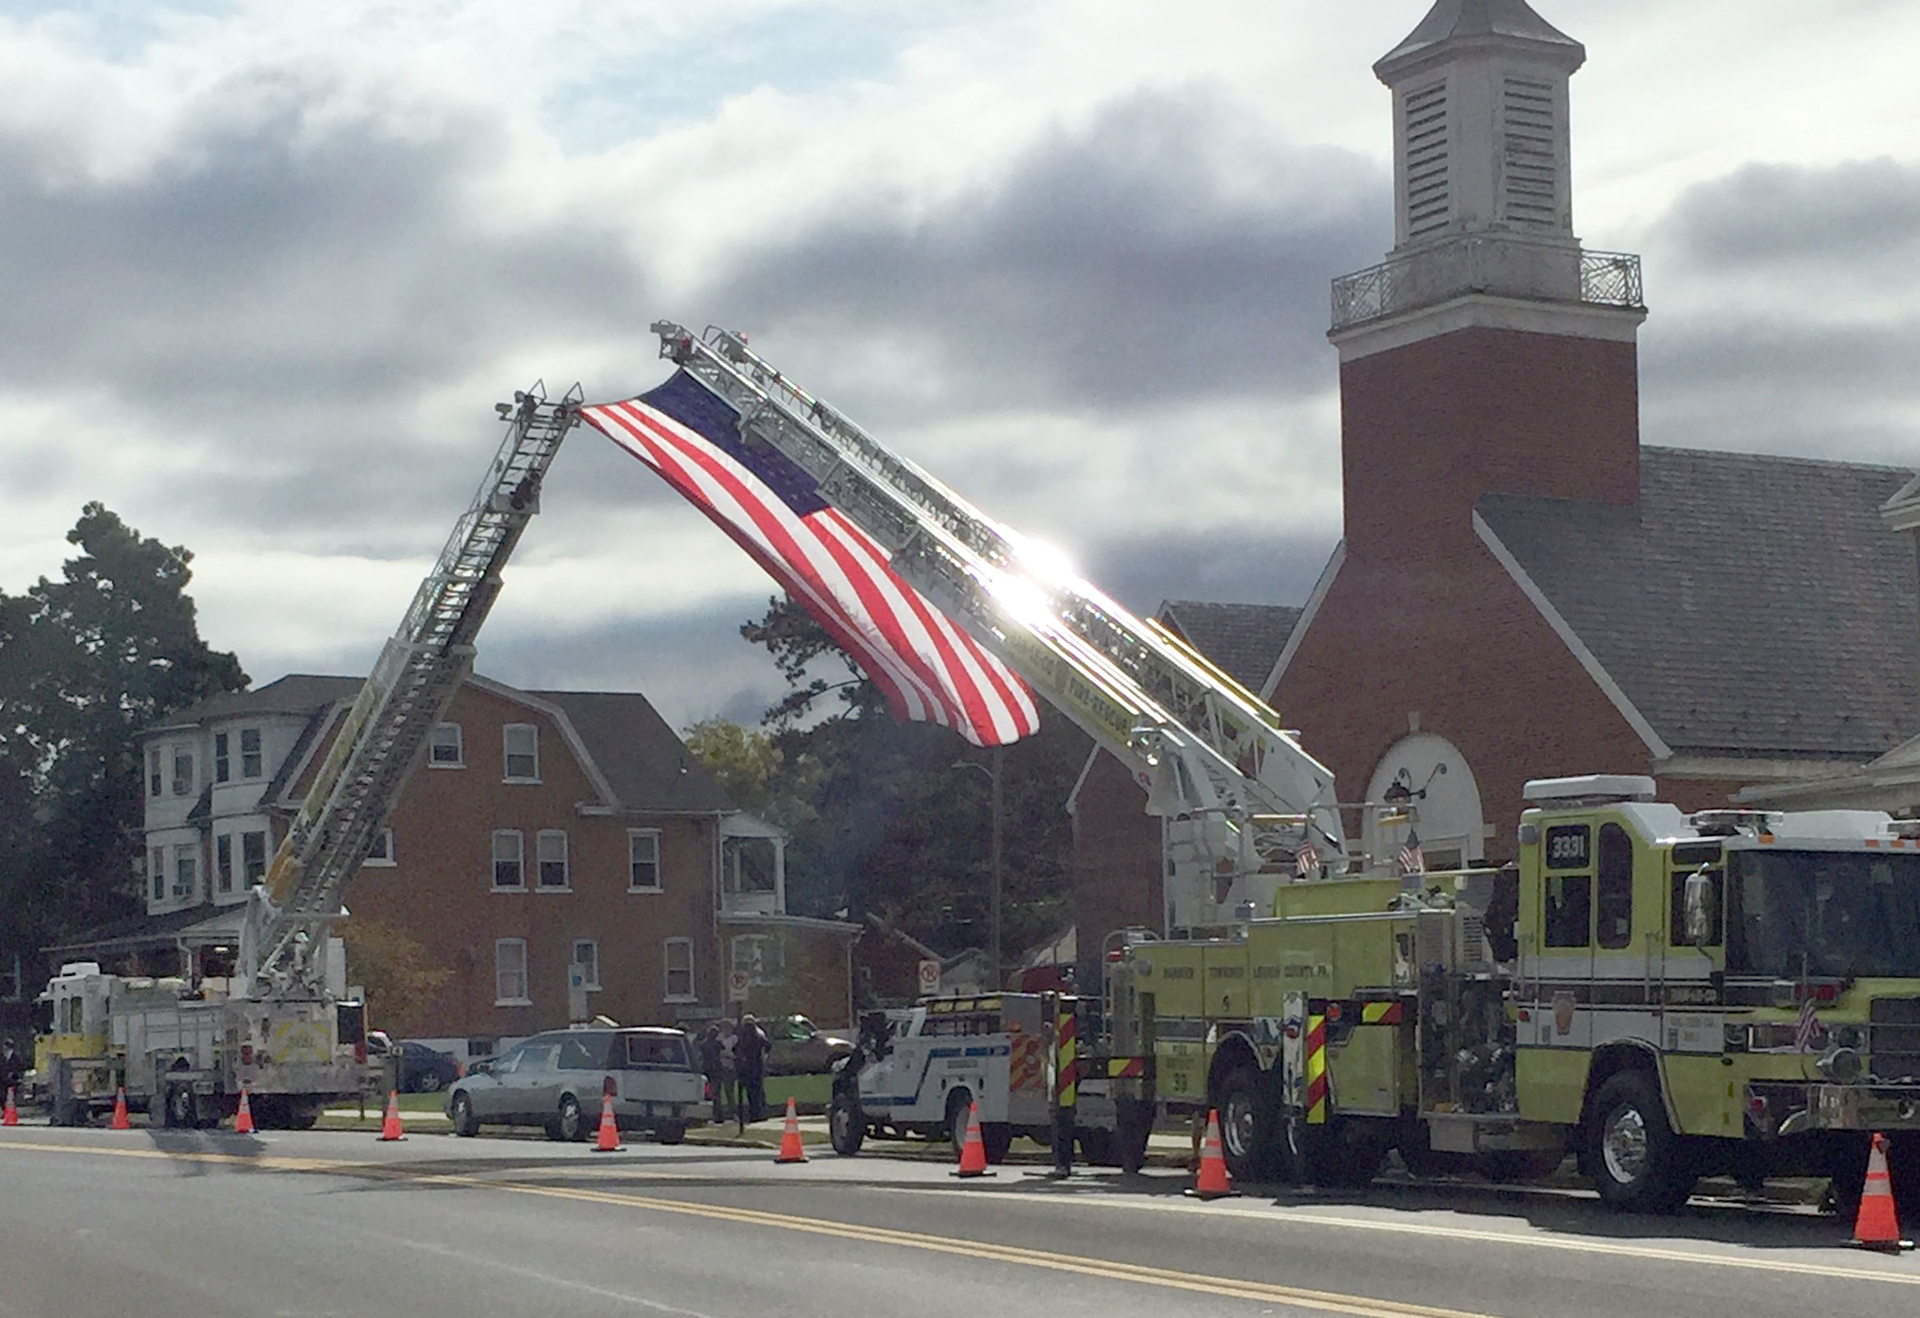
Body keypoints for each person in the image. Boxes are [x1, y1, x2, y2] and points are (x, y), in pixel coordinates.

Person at [735, 1013, 770, 1125]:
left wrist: (740, 1058)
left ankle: (751, 1115)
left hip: (745, 1067)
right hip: (757, 1066)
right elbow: (768, 1045)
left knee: (749, 1092)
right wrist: (763, 1055)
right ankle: (758, 1114)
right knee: (758, 1091)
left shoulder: (742, 1035)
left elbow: (735, 1048)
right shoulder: (758, 1035)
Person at [699, 1023, 729, 1124]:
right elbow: (723, 1047)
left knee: (708, 1093)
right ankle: (718, 1116)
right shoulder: (716, 1043)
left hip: (708, 1070)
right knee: (716, 1093)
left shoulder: (704, 1044)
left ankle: (713, 1115)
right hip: (715, 1070)